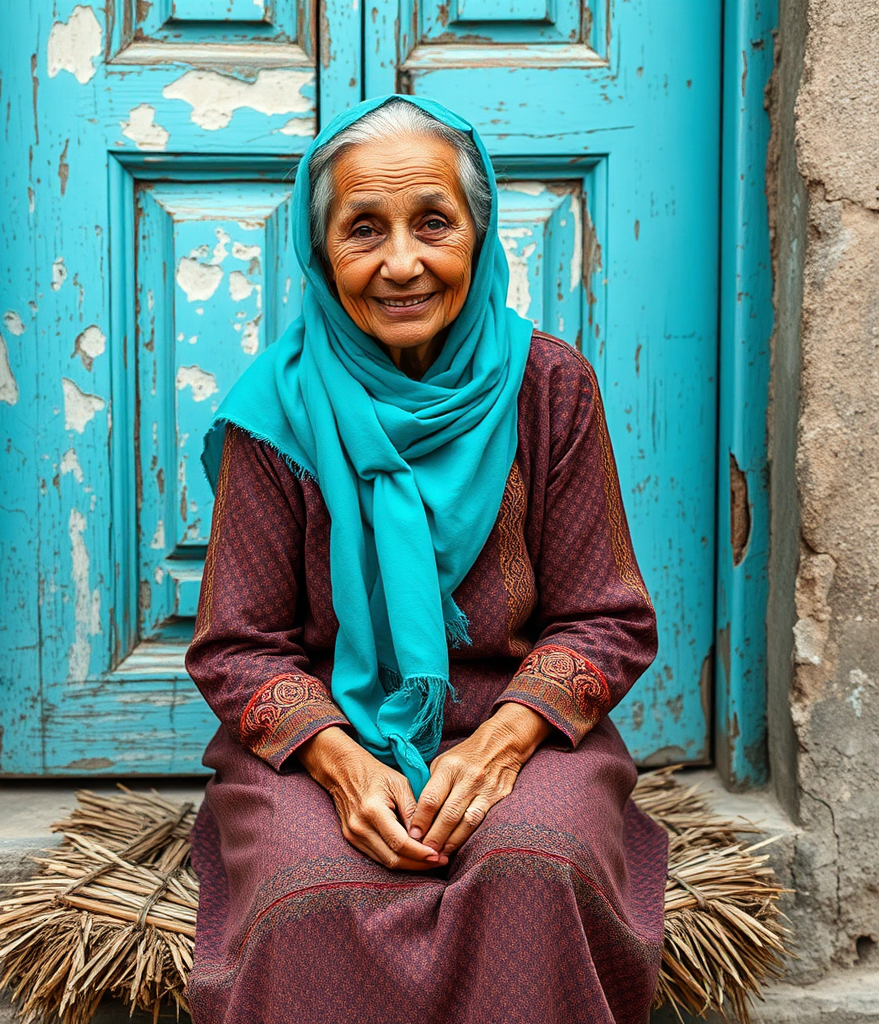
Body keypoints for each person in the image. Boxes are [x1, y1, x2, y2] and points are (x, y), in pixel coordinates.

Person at [184, 95, 667, 1024]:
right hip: (323, 737)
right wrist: (338, 763)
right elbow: (236, 644)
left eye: (433, 224)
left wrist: (499, 743)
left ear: (478, 239)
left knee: (535, 867)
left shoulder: (549, 385)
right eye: (363, 229)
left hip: (519, 732)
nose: (402, 263)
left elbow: (604, 616)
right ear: (320, 251)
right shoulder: (276, 410)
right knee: (311, 894)